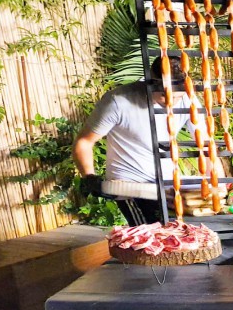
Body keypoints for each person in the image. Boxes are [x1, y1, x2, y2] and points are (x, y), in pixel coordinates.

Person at [72, 56, 221, 224]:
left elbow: (206, 145)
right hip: (130, 188)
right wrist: (89, 177)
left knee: (178, 234)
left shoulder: (188, 99)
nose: (170, 102)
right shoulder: (118, 101)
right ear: (151, 81)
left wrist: (218, 185)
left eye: (176, 97)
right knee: (149, 235)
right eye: (164, 95)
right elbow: (84, 142)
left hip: (167, 187)